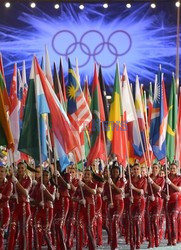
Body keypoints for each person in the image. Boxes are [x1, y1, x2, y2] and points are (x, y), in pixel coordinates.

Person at [8, 161, 32, 250]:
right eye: (19, 168)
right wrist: (11, 195)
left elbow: (26, 192)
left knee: (23, 230)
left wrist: (17, 183)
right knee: (12, 228)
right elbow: (7, 191)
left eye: (22, 168)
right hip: (15, 207)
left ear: (25, 169)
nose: (21, 170)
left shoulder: (28, 179)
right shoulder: (13, 178)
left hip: (24, 207)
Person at [73, 167, 97, 250]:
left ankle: (92, 247)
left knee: (89, 228)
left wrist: (84, 185)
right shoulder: (79, 185)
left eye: (88, 174)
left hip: (90, 207)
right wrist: (79, 200)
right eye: (85, 174)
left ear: (91, 176)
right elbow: (73, 197)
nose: (86, 176)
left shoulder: (93, 184)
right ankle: (78, 247)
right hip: (80, 207)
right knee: (78, 226)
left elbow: (94, 192)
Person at [32, 168, 56, 249]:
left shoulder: (53, 186)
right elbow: (31, 198)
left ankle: (50, 247)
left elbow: (52, 198)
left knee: (46, 231)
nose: (45, 177)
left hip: (48, 210)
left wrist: (45, 190)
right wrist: (37, 202)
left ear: (49, 177)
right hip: (38, 210)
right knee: (36, 229)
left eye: (47, 175)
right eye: (43, 175)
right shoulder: (37, 186)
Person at [106, 161, 126, 250]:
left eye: (117, 172)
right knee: (111, 223)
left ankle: (115, 244)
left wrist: (112, 184)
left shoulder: (121, 181)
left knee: (114, 220)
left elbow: (120, 191)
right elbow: (105, 194)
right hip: (111, 204)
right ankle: (112, 242)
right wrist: (107, 201)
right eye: (113, 172)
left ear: (119, 173)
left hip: (119, 203)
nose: (115, 173)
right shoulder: (108, 181)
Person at [128, 163, 147, 250]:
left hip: (140, 202)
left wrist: (134, 189)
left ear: (139, 170)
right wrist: (129, 196)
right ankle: (132, 243)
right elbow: (126, 192)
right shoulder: (130, 180)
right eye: (134, 169)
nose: (135, 171)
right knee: (132, 222)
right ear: (132, 170)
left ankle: (138, 241)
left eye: (137, 169)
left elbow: (143, 191)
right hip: (132, 202)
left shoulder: (144, 179)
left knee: (138, 221)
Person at [147, 163, 165, 248]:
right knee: (149, 221)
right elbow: (145, 190)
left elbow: (159, 189)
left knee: (154, 220)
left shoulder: (162, 179)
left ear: (159, 169)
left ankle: (157, 239)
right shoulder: (148, 177)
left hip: (158, 201)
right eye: (153, 168)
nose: (155, 170)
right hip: (150, 201)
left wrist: (152, 182)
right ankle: (151, 242)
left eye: (156, 168)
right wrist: (149, 195)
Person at [53, 166, 71, 250]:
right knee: (55, 224)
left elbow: (67, 186)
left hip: (64, 201)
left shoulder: (67, 175)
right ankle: (58, 246)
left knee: (60, 224)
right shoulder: (53, 176)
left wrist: (59, 176)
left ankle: (64, 246)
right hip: (56, 201)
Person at [165, 161, 181, 246]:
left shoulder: (179, 178)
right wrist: (164, 195)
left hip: (177, 201)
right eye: (171, 168)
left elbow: (179, 189)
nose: (172, 170)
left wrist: (170, 183)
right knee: (169, 220)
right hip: (168, 201)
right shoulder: (166, 177)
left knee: (174, 217)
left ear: (177, 169)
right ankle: (170, 238)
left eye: (174, 168)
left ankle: (175, 238)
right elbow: (162, 191)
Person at [0, 162, 13, 250]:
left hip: (4, 210)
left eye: (2, 171)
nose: (0, 173)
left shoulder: (9, 184)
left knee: (1, 232)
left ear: (5, 173)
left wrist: (1, 196)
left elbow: (8, 197)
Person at [66, 164, 78, 249]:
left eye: (73, 172)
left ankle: (69, 243)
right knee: (66, 224)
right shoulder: (65, 180)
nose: (71, 173)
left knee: (71, 224)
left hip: (74, 205)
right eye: (70, 172)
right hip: (66, 204)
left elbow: (75, 189)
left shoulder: (77, 181)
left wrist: (70, 183)